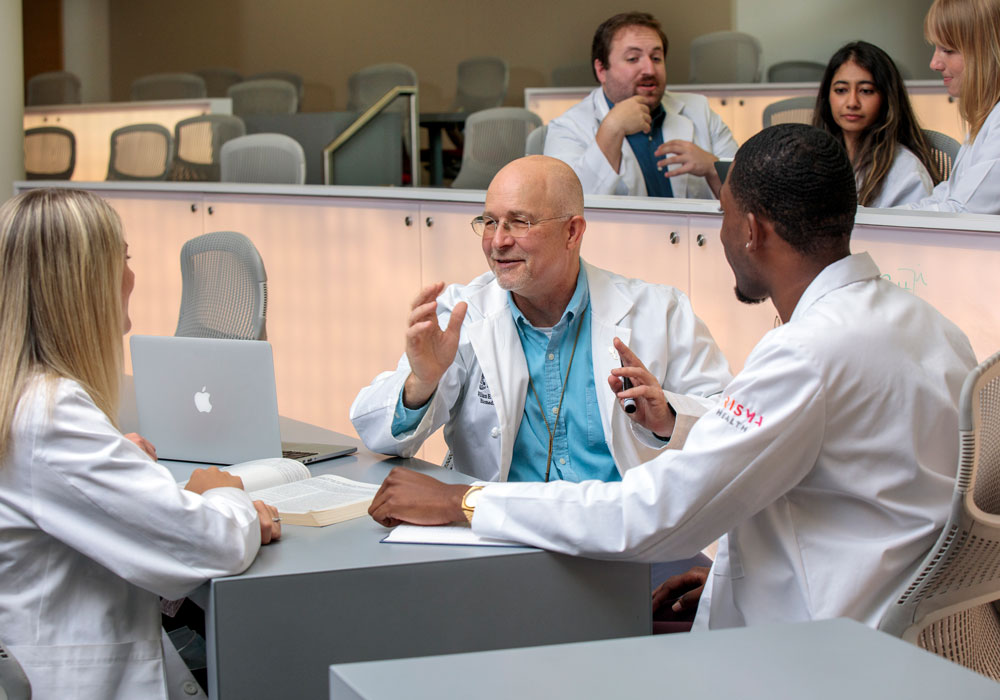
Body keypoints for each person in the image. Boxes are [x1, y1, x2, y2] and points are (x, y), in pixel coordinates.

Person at [368, 124, 977, 631]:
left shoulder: (806, 355)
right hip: (898, 628)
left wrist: (463, 500)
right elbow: (863, 500)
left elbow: (650, 516)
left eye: (723, 214)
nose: (499, 241)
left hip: (822, 649)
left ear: (751, 230)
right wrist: (736, 571)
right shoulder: (932, 327)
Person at [0, 188, 281, 700]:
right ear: (87, 282)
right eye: (123, 260)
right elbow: (209, 542)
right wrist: (223, 495)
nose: (132, 276)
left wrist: (117, 463)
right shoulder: (49, 415)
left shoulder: (20, 401)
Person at [350, 155, 731, 485]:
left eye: (519, 222)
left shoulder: (660, 311)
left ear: (572, 232)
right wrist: (422, 382)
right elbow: (379, 438)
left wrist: (668, 416)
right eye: (489, 221)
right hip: (503, 535)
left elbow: (733, 426)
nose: (498, 241)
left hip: (622, 538)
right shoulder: (462, 315)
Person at [543, 12, 738, 199]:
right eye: (633, 59)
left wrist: (713, 168)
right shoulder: (567, 127)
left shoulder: (699, 110)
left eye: (656, 58)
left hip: (692, 234)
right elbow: (567, 207)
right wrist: (612, 128)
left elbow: (750, 200)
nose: (649, 70)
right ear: (601, 69)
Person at [813, 40, 941, 208]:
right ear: (827, 97)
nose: (852, 102)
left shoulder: (906, 171)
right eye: (841, 90)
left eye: (866, 91)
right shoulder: (815, 159)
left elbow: (915, 233)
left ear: (887, 99)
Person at [904, 0, 1000, 213]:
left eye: (947, 49)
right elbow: (948, 195)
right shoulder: (986, 118)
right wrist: (876, 216)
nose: (934, 64)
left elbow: (963, 212)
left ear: (988, 52)